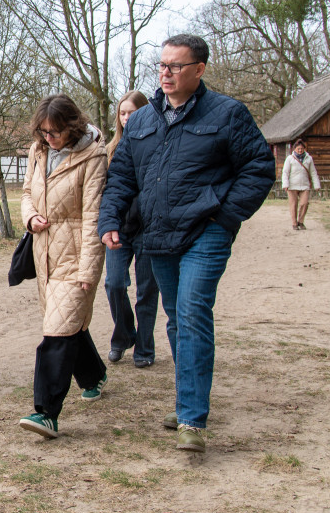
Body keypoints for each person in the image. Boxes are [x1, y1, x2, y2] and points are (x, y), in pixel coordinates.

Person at [99, 34, 275, 452]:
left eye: (175, 66)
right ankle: (185, 405)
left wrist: (225, 217)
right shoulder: (141, 121)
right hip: (157, 234)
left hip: (205, 232)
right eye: (161, 65)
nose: (166, 73)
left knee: (193, 312)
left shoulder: (228, 113)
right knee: (176, 317)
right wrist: (110, 218)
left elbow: (259, 167)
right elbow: (122, 176)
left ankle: (193, 420)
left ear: (199, 70)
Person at [17, 95, 109, 440]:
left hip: (76, 256)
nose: (49, 138)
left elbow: (93, 216)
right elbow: (26, 192)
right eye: (43, 131)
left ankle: (46, 413)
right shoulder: (36, 151)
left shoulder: (93, 157)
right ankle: (93, 375)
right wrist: (30, 216)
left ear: (71, 127)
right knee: (67, 324)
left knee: (56, 331)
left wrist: (89, 270)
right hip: (44, 253)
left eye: (54, 132)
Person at [103, 91, 160, 369]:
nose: (127, 118)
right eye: (122, 113)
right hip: (119, 228)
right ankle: (123, 334)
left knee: (147, 291)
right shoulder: (110, 148)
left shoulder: (157, 143)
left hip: (149, 228)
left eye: (132, 112)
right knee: (114, 283)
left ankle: (145, 347)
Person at [282, 138, 320, 230]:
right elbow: (285, 172)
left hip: (304, 185)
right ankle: (294, 223)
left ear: (304, 149)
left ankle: (301, 221)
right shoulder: (290, 159)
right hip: (292, 186)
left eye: (301, 149)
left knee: (304, 203)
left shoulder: (309, 159)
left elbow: (313, 172)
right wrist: (285, 184)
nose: (300, 150)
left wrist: (317, 185)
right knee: (293, 204)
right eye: (298, 149)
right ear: (294, 149)